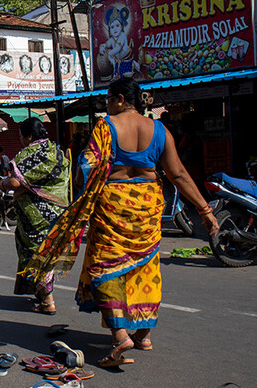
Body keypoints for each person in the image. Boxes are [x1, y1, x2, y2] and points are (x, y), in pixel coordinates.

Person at [22, 77, 219, 367]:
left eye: (109, 99)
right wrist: (205, 211)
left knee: (105, 267)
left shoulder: (107, 126)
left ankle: (120, 335)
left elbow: (87, 163)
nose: (107, 104)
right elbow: (178, 174)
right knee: (145, 267)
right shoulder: (160, 130)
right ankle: (143, 335)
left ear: (120, 99)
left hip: (113, 204)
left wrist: (80, 196)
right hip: (148, 206)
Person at [0, 117, 70, 314]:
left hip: (35, 215)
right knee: (48, 252)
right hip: (58, 213)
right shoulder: (58, 152)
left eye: (21, 135)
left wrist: (1, 184)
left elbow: (15, 182)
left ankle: (48, 300)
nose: (20, 139)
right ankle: (41, 295)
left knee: (35, 253)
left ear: (29, 137)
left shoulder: (30, 153)